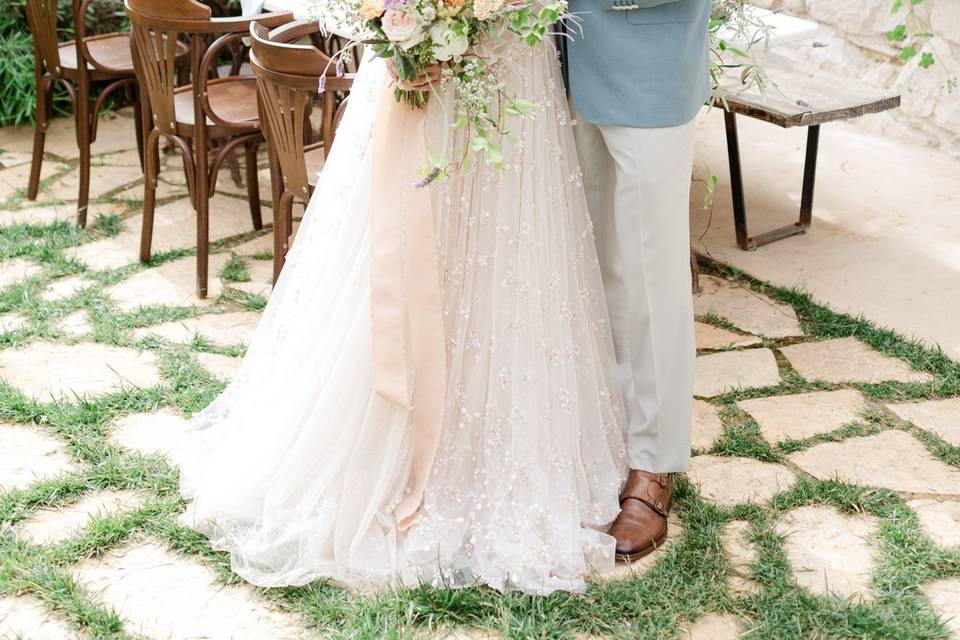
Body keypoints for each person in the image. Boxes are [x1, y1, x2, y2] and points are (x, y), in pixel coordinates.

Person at [176, 14, 630, 594]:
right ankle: (382, 446)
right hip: (416, 70)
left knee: (505, 246)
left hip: (512, 64)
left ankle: (486, 449)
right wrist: (407, 30)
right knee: (402, 235)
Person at [565, 0, 710, 560]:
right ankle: (604, 435)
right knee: (590, 267)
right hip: (556, 63)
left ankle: (655, 461)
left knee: (653, 278)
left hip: (652, 61)